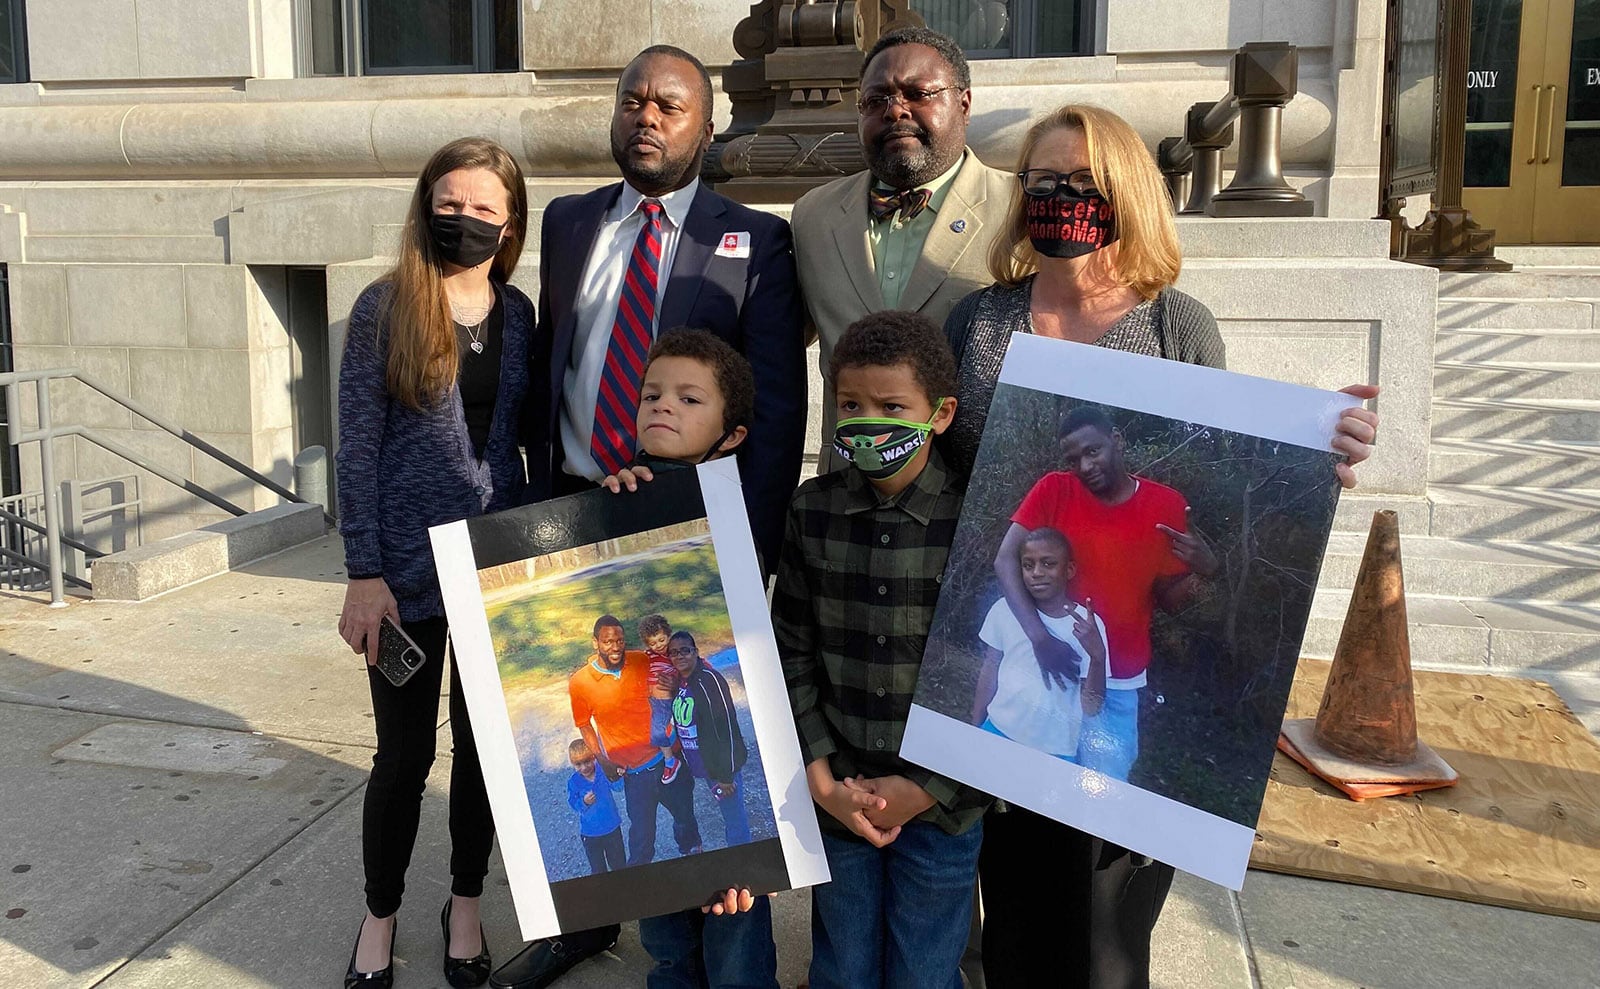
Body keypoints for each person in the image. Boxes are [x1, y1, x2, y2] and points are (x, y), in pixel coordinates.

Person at [939, 103, 1381, 989]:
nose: (1058, 197)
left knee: (1110, 926)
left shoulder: (1180, 324)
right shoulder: (981, 324)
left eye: (1083, 183)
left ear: (1128, 194)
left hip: (1130, 664)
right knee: (1020, 912)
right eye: (1041, 181)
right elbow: (951, 479)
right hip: (1020, 665)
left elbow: (1226, 461)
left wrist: (1311, 458)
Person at [334, 136, 531, 989]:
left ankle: (464, 903)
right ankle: (379, 916)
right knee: (403, 758)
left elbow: (525, 438)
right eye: (450, 203)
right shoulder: (385, 307)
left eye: (484, 206)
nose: (466, 219)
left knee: (485, 753)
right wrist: (362, 571)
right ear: (425, 208)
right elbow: (357, 448)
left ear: (509, 221)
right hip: (405, 577)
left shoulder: (519, 313)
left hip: (492, 570)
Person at [522, 44, 805, 573]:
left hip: (690, 521)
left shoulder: (757, 239)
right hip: (570, 510)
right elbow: (551, 369)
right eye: (632, 102)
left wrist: (755, 546)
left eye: (669, 108)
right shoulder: (567, 222)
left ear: (706, 130)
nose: (646, 118)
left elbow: (777, 411)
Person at [773, 311, 992, 989]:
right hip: (840, 791)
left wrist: (927, 788)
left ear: (942, 413)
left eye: (892, 406)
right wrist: (819, 778)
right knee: (842, 965)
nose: (868, 421)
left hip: (943, 807)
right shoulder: (812, 510)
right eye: (850, 405)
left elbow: (996, 675)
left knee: (925, 970)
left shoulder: (979, 522)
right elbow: (792, 647)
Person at [599, 328, 779, 989]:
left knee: (735, 918)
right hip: (658, 750)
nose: (662, 406)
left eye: (688, 397)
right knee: (666, 930)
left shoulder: (731, 521)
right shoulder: (616, 498)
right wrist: (604, 504)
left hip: (716, 748)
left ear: (730, 434)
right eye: (651, 393)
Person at [790, 26, 1014, 462]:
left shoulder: (1019, 211)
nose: (896, 111)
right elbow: (777, 345)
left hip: (964, 491)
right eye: (877, 100)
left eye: (918, 93)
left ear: (964, 104)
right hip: (846, 493)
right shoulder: (812, 216)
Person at [568, 614, 703, 867]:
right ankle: (637, 894)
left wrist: (673, 686)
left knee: (686, 820)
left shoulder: (642, 660)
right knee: (641, 840)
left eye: (619, 640)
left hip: (668, 761)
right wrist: (603, 761)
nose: (615, 646)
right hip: (634, 775)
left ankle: (695, 865)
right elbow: (584, 724)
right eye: (608, 641)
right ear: (595, 642)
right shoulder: (580, 683)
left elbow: (673, 681)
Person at [971, 526, 1107, 761]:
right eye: (1027, 565)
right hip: (997, 731)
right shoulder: (1004, 609)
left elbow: (1091, 707)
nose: (1036, 572)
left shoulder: (1090, 626)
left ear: (1069, 569)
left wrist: (1097, 658)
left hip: (1054, 753)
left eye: (1048, 564)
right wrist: (975, 726)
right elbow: (989, 671)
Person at [667, 630, 752, 846]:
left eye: (685, 650)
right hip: (705, 766)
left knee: (735, 822)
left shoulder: (710, 680)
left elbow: (726, 728)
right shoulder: (682, 683)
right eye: (674, 652)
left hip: (721, 769)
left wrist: (726, 775)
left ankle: (742, 864)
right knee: (729, 817)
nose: (679, 656)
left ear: (696, 652)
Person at [565, 739, 626, 876]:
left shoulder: (602, 771)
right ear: (572, 764)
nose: (584, 767)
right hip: (590, 834)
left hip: (612, 828)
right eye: (578, 764)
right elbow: (573, 803)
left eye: (587, 761)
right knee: (598, 870)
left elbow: (618, 787)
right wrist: (584, 802)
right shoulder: (574, 781)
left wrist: (619, 776)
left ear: (594, 757)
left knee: (619, 865)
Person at [639, 614, 684, 784]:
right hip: (651, 700)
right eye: (652, 643)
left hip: (665, 701)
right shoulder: (649, 655)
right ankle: (668, 745)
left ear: (668, 634)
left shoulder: (675, 653)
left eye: (661, 639)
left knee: (657, 732)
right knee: (647, 727)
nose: (658, 645)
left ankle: (671, 761)